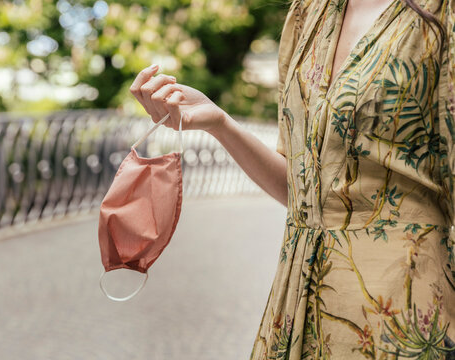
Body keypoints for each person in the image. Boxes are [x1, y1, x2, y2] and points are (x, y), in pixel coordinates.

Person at [129, 0, 455, 357]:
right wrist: (218, 123)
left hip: (402, 310)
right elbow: (302, 191)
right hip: (295, 304)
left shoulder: (442, 13)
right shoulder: (308, 14)